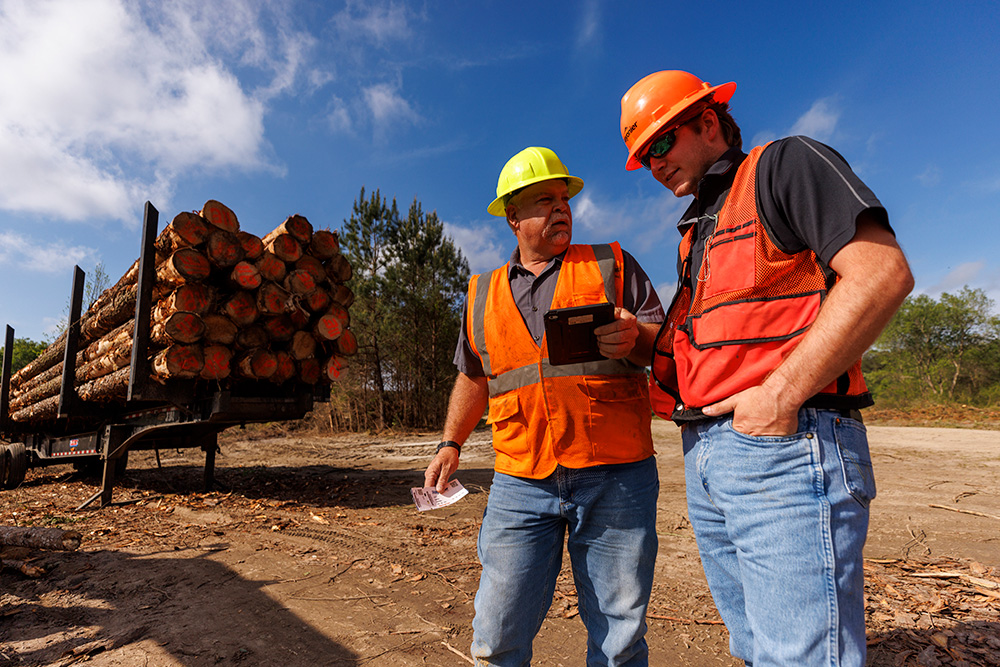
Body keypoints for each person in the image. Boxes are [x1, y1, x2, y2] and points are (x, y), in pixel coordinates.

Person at [619, 71, 913, 666]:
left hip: (785, 446)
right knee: (756, 649)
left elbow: (881, 275)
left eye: (659, 145)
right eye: (643, 157)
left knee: (799, 656)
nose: (653, 165)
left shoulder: (783, 166)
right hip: (711, 454)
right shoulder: (696, 230)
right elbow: (721, 345)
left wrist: (779, 395)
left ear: (707, 121)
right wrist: (637, 340)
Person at [423, 146, 664, 666]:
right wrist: (450, 443)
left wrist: (635, 336)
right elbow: (474, 377)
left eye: (564, 198)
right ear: (512, 217)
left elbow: (664, 345)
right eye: (543, 200)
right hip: (519, 479)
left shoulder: (612, 264)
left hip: (616, 476)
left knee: (618, 637)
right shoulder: (481, 294)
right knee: (496, 631)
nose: (561, 209)